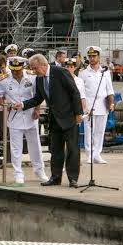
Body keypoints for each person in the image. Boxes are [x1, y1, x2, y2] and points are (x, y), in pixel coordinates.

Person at [16, 54, 83, 187]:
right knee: (56, 150)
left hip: (69, 117)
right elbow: (38, 98)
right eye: (32, 69)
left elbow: (74, 92)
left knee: (72, 149)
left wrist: (78, 113)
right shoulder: (39, 79)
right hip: (54, 119)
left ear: (43, 65)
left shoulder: (60, 72)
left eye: (35, 68)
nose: (34, 71)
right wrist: (23, 105)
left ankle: (73, 178)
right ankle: (55, 177)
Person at [0, 57, 48, 185]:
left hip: (30, 115)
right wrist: (5, 103)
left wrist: (37, 110)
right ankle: (18, 173)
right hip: (14, 117)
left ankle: (40, 171)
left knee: (35, 146)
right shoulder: (4, 79)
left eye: (18, 70)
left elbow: (38, 95)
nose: (15, 73)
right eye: (13, 70)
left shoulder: (31, 77)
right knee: (16, 148)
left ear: (23, 67)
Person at [78, 46, 115, 165]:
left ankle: (97, 154)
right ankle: (89, 154)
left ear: (99, 57)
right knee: (89, 131)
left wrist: (111, 103)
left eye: (94, 56)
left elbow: (109, 89)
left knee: (100, 131)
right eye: (90, 56)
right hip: (89, 104)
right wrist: (83, 106)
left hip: (102, 104)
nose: (92, 58)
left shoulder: (105, 72)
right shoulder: (83, 73)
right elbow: (80, 90)